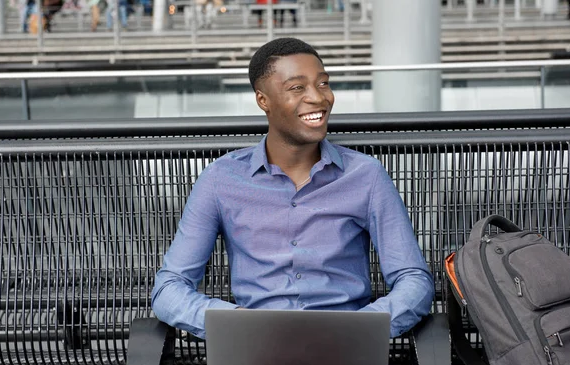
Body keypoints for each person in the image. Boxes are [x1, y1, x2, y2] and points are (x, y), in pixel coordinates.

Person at [151, 38, 434, 344]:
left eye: (323, 83)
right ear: (263, 100)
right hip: (255, 349)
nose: (318, 97)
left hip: (344, 350)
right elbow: (170, 288)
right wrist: (237, 325)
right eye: (297, 87)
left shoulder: (366, 176)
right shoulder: (221, 179)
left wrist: (362, 328)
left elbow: (413, 280)